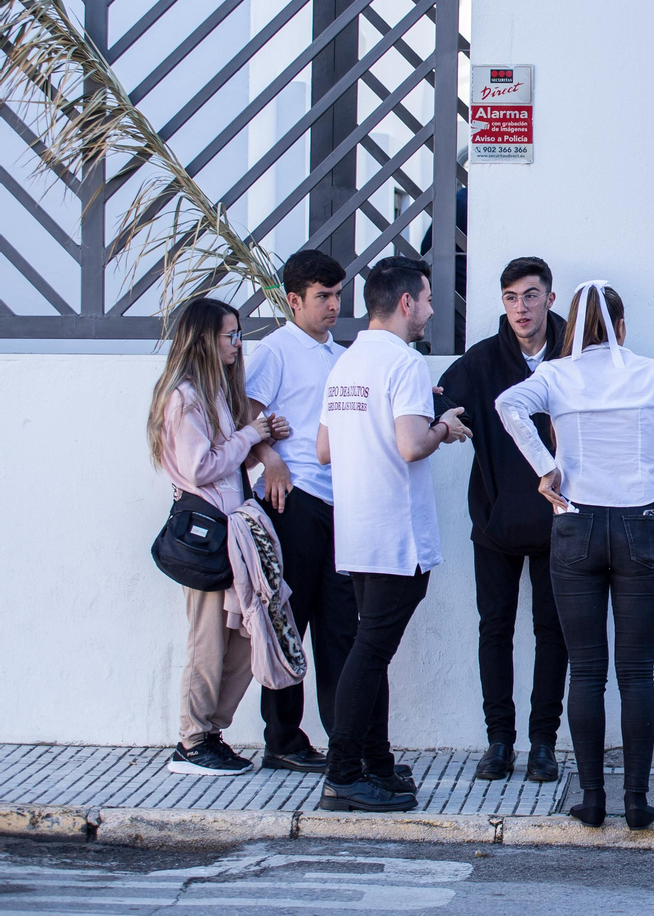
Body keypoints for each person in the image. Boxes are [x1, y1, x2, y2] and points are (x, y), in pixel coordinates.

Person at [497, 282, 654, 829]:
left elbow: (507, 405)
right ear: (620, 328)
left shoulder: (556, 375)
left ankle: (594, 798)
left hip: (575, 527)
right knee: (636, 673)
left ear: (572, 325)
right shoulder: (649, 372)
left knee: (586, 672)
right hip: (641, 526)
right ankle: (637, 799)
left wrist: (544, 467)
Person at [315, 257, 472, 813]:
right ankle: (341, 773)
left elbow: (324, 450)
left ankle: (374, 763)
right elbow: (410, 445)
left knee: (370, 651)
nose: (431, 309)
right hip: (397, 536)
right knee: (369, 653)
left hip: (357, 531)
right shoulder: (404, 363)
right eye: (427, 299)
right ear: (406, 302)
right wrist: (443, 427)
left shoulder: (346, 362)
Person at [440, 257, 569, 784]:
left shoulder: (575, 354)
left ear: (550, 299)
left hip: (561, 522)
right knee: (493, 630)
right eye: (512, 297)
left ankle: (543, 743)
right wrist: (440, 421)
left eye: (531, 295)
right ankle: (499, 741)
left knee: (552, 633)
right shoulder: (481, 362)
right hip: (494, 524)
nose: (521, 307)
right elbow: (439, 405)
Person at [149, 297, 290, 775]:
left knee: (244, 640)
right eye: (230, 335)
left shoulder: (211, 395)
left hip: (234, 534)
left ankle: (211, 732)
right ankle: (192, 740)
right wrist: (251, 436)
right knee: (208, 640)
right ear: (205, 339)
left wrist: (259, 439)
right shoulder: (183, 396)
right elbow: (199, 467)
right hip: (210, 538)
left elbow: (225, 468)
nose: (236, 344)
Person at [245, 250, 357, 775]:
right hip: (294, 503)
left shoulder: (341, 354)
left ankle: (343, 739)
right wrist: (270, 460)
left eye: (337, 295)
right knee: (290, 620)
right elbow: (244, 422)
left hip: (342, 504)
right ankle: (283, 738)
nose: (334, 305)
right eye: (323, 297)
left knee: (340, 626)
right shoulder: (275, 351)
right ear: (294, 300)